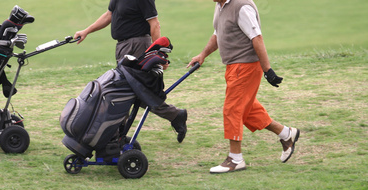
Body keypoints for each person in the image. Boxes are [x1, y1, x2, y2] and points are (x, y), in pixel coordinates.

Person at [187, 0, 300, 173]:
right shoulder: (220, 6)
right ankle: (286, 133)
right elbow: (219, 33)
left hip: (245, 66)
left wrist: (267, 70)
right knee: (247, 110)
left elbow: (257, 37)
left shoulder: (242, 7)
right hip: (233, 67)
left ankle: (235, 159)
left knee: (233, 110)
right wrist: (202, 55)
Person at [73, 0, 188, 143]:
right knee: (134, 92)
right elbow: (109, 14)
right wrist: (86, 31)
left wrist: (156, 54)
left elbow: (155, 24)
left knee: (126, 91)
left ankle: (116, 135)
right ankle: (175, 115)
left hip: (137, 46)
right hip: (123, 46)